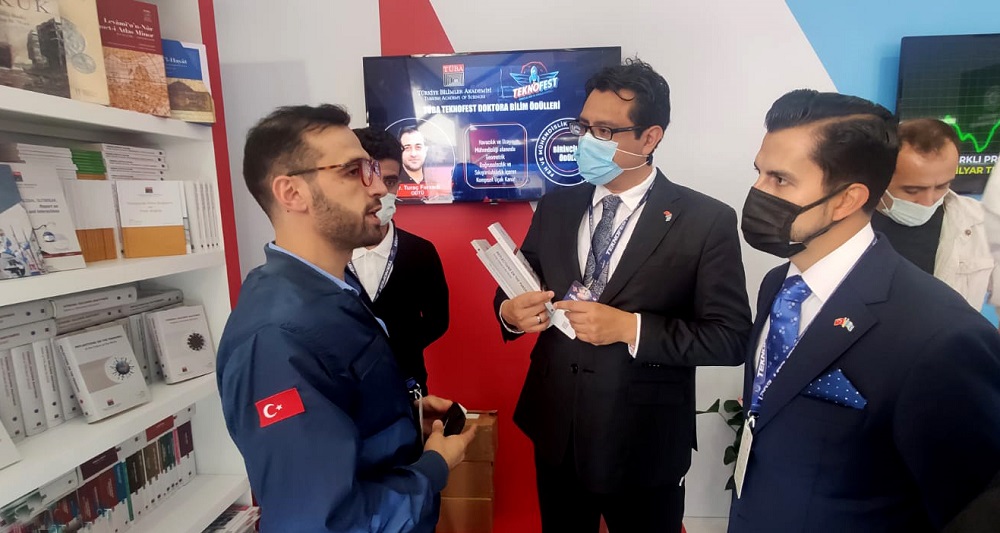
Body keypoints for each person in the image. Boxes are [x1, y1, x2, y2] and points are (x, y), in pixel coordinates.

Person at [494, 58, 752, 533]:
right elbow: (518, 282)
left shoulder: (705, 220)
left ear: (650, 138)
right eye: (584, 127)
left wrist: (632, 329)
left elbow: (731, 337)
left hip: (644, 440)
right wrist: (510, 312)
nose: (586, 141)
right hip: (555, 429)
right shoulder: (556, 205)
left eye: (605, 131)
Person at [729, 89, 1000, 533]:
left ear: (847, 199)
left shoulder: (941, 337)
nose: (757, 192)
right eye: (758, 173)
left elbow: (970, 505)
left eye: (779, 180)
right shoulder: (778, 285)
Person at [216, 104, 474, 532]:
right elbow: (327, 522)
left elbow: (342, 409)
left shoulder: (332, 289)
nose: (378, 188)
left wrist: (403, 417)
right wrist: (433, 467)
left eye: (373, 169)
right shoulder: (275, 339)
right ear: (291, 193)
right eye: (353, 171)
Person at [350, 127, 450, 395]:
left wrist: (399, 345)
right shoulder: (327, 256)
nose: (380, 190)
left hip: (406, 382)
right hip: (345, 390)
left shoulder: (420, 252)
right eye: (368, 178)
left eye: (390, 180)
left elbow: (439, 320)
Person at [871, 118, 998, 310]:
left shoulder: (983, 223)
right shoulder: (842, 223)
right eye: (912, 190)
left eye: (941, 186)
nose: (928, 201)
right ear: (880, 178)